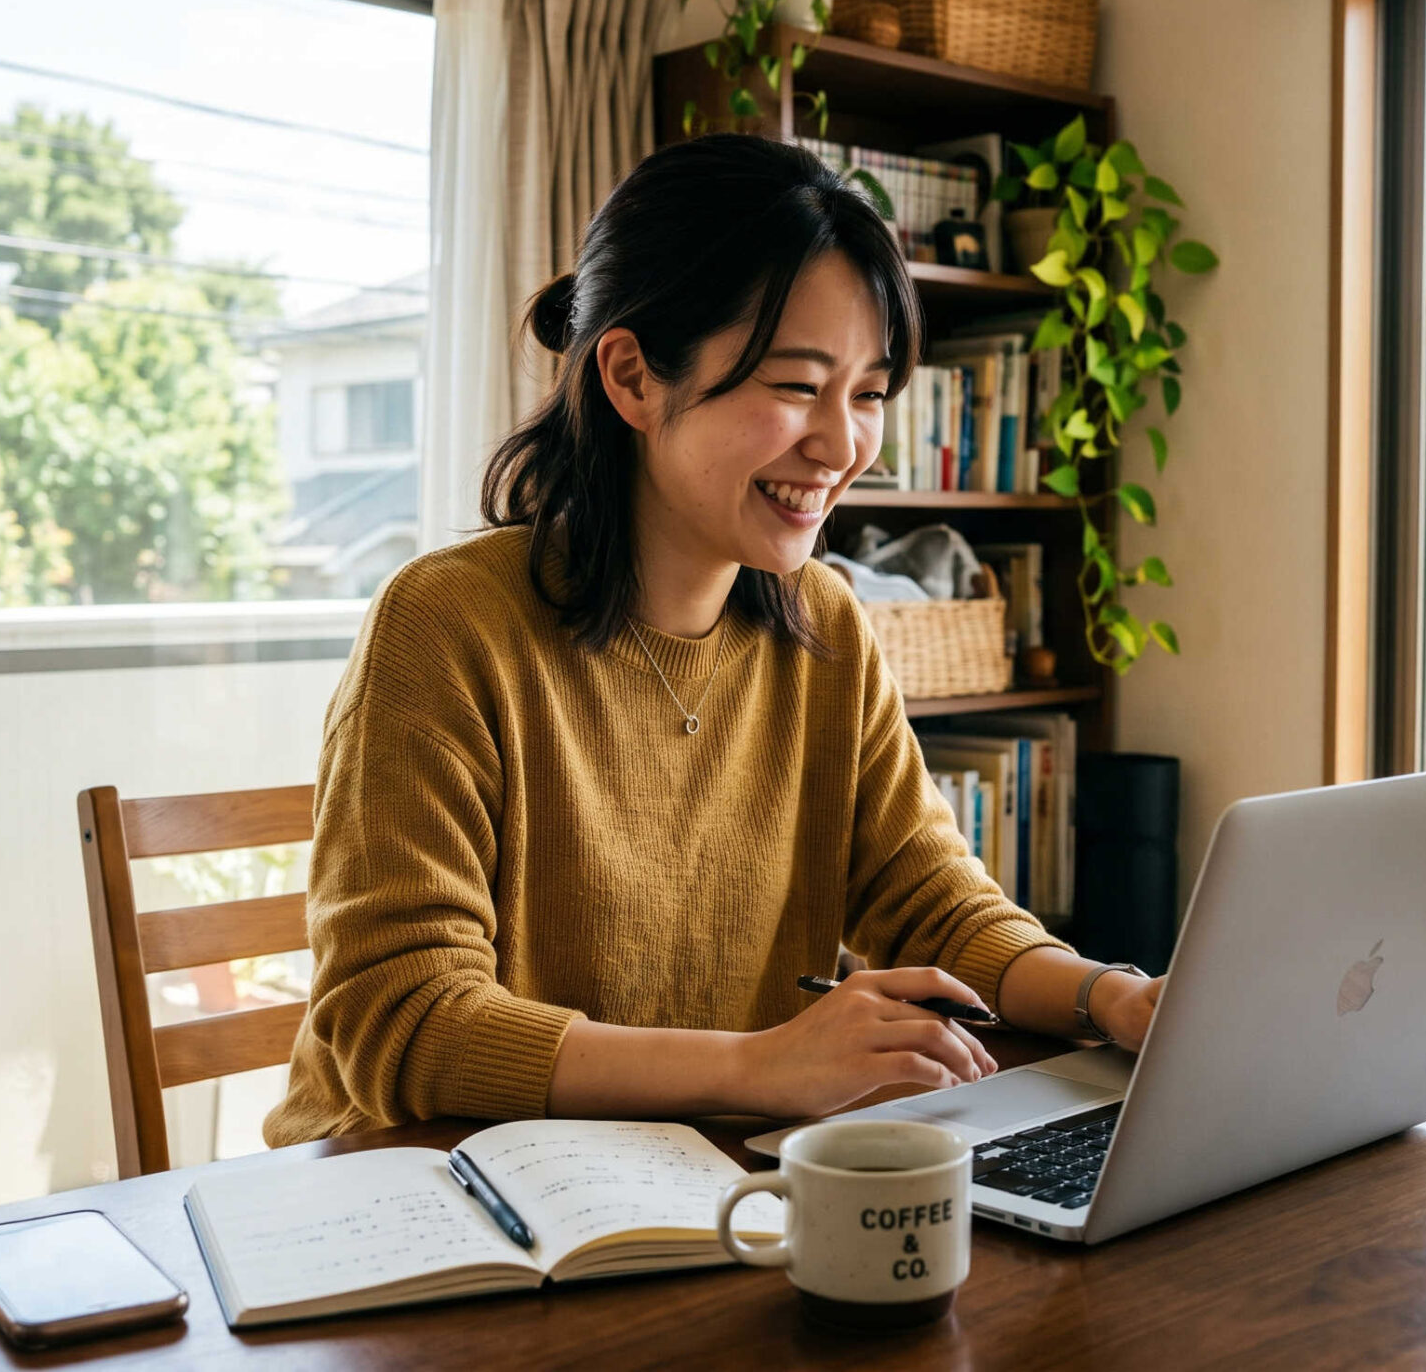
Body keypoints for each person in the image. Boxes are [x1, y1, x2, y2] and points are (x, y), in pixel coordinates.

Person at [263, 135, 1165, 1144]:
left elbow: (935, 906)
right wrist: (762, 1065)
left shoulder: (823, 626)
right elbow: (401, 1022)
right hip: (422, 1199)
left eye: (866, 394)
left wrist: (1112, 999)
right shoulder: (445, 625)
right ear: (633, 377)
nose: (840, 445)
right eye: (794, 386)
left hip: (697, 1175)